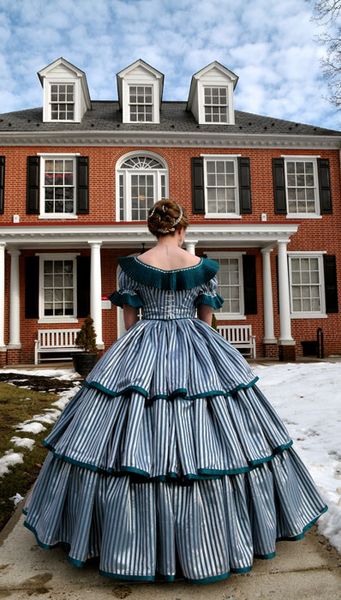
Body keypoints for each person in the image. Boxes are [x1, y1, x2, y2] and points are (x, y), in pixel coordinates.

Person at [23, 199, 327, 584]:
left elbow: (130, 321)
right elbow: (206, 317)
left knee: (120, 427)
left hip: (143, 344)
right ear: (182, 229)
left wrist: (135, 355)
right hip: (196, 344)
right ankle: (221, 538)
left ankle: (117, 539)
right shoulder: (202, 268)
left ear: (153, 230)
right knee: (218, 428)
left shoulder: (132, 268)